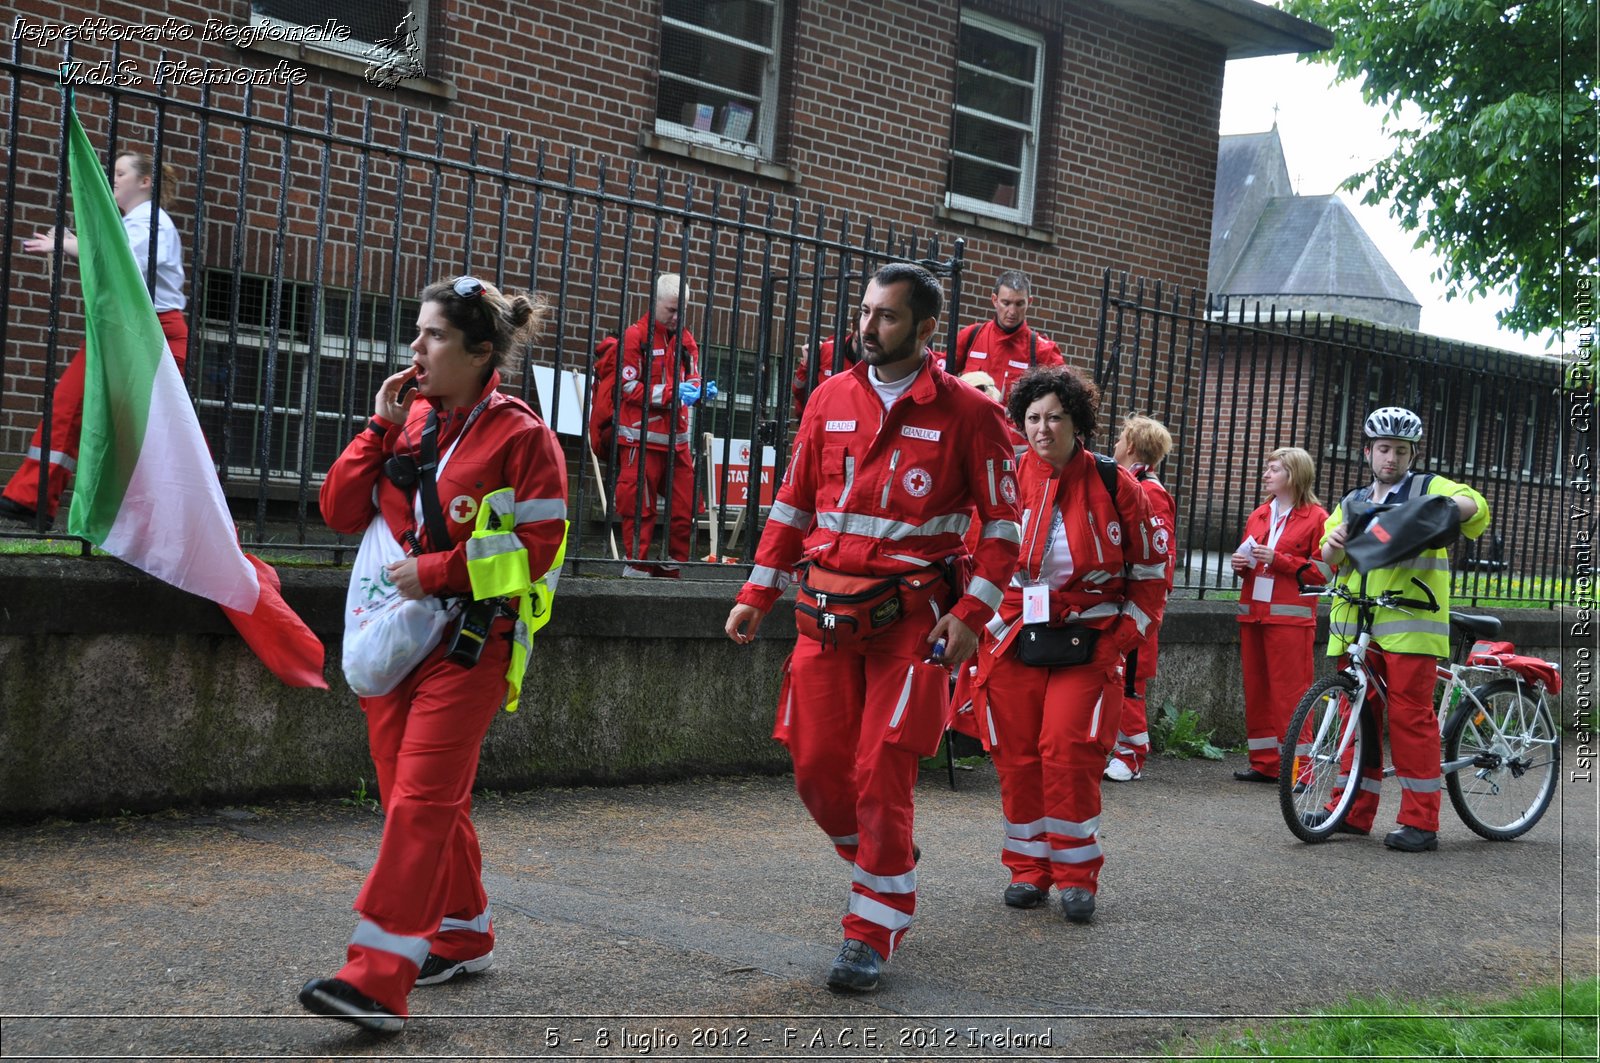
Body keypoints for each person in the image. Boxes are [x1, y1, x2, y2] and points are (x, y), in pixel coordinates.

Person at [724, 262, 1021, 993]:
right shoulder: (829, 398)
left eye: (886, 316)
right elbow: (792, 506)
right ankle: (884, 861)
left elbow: (1004, 532)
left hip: (911, 625)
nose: (867, 326)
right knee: (818, 768)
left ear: (925, 329)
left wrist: (969, 617)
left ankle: (872, 927)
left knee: (880, 769)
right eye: (864, 311)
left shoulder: (972, 416)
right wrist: (757, 592)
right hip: (822, 615)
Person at [302, 276, 568, 1033]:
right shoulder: (411, 418)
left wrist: (441, 571)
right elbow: (338, 508)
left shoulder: (522, 438)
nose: (415, 349)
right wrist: (376, 426)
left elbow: (537, 555)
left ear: (483, 351)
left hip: (471, 643)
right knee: (415, 797)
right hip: (396, 637)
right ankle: (461, 931)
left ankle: (376, 980)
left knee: (419, 801)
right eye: (417, 333)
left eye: (435, 337)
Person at [962, 365, 1166, 923]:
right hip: (1011, 641)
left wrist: (1118, 642)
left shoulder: (1114, 482)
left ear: (1079, 423)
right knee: (1016, 757)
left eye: (1055, 417)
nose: (1042, 428)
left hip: (1089, 643)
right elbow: (976, 556)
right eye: (1032, 418)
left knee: (1068, 752)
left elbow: (1151, 575)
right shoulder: (1004, 478)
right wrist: (975, 624)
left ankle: (1078, 876)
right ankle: (1028, 870)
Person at [1311, 406, 1489, 852]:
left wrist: (1438, 509)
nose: (1391, 458)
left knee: (1411, 719)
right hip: (1357, 626)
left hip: (1410, 624)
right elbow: (1328, 559)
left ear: (1413, 454)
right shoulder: (1351, 501)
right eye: (1384, 449)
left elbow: (1474, 507)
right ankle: (1351, 812)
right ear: (1368, 451)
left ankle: (1420, 822)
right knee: (1358, 720)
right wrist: (1333, 545)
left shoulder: (1428, 487)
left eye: (1401, 451)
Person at [0, 151, 189, 530]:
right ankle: (31, 498)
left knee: (149, 433)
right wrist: (73, 240)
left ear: (145, 182)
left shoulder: (153, 222)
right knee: (69, 406)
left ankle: (166, 522)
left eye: (121, 173)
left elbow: (119, 262)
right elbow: (111, 252)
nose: (113, 179)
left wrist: (68, 244)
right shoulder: (134, 223)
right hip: (124, 328)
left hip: (153, 333)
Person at [1230, 447, 1328, 783]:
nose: (1266, 474)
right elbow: (1251, 561)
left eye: (1274, 469)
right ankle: (1265, 763)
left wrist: (1278, 559)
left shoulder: (1317, 517)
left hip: (1290, 619)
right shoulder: (1259, 515)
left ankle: (1302, 773)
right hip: (1254, 614)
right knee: (1257, 692)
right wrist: (1241, 566)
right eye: (1267, 468)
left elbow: (1323, 573)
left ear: (1294, 475)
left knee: (1292, 695)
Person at [611, 273, 715, 578]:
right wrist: (673, 393)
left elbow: (692, 374)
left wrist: (697, 390)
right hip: (640, 440)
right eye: (671, 310)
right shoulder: (635, 337)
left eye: (681, 310)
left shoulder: (685, 339)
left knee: (686, 509)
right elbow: (627, 388)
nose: (676, 317)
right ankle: (637, 569)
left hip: (676, 441)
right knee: (639, 510)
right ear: (655, 304)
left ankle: (672, 567)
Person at [1104, 415, 1176, 782]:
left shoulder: (1149, 492)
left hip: (1138, 605)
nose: (1114, 444)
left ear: (1131, 445)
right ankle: (1120, 747)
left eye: (1120, 438)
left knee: (1130, 678)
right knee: (1119, 673)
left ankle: (1132, 754)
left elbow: (1157, 554)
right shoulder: (1135, 485)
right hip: (1126, 599)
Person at [943, 270, 1064, 402]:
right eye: (1006, 303)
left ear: (1029, 302)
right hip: (969, 420)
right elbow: (941, 374)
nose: (1012, 311)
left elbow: (1063, 397)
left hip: (1010, 422)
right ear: (995, 300)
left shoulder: (1042, 350)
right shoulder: (972, 336)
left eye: (1019, 304)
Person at [792, 331, 861, 417]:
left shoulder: (877, 355)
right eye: (858, 341)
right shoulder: (829, 349)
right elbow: (798, 390)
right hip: (820, 417)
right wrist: (806, 365)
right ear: (852, 328)